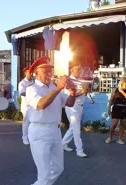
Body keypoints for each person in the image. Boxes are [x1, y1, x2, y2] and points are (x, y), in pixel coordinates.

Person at [26, 56, 77, 185]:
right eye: (45, 71)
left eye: (50, 70)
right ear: (36, 73)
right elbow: (42, 104)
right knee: (44, 174)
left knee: (58, 168)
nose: (49, 73)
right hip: (39, 132)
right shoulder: (32, 89)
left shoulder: (53, 87)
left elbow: (69, 103)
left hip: (55, 131)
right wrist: (58, 88)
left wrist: (73, 93)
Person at [61, 62, 90, 158]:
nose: (80, 72)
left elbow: (82, 93)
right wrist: (82, 91)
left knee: (72, 128)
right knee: (77, 130)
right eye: (78, 70)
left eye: (80, 70)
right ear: (72, 70)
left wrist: (85, 91)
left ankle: (62, 144)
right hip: (72, 107)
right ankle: (79, 150)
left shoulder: (79, 80)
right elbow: (68, 96)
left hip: (79, 107)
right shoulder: (69, 81)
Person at [105, 77, 126, 144]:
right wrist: (109, 108)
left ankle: (119, 139)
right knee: (114, 124)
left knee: (123, 124)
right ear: (122, 82)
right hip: (117, 108)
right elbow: (111, 100)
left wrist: (122, 91)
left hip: (125, 109)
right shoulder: (115, 90)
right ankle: (110, 137)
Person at [18, 66, 33, 145]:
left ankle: (30, 137)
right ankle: (25, 137)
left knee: (32, 122)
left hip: (33, 106)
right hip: (26, 106)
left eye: (32, 72)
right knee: (26, 122)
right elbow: (22, 93)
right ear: (25, 73)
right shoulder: (22, 83)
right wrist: (32, 93)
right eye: (29, 72)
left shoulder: (33, 82)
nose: (31, 74)